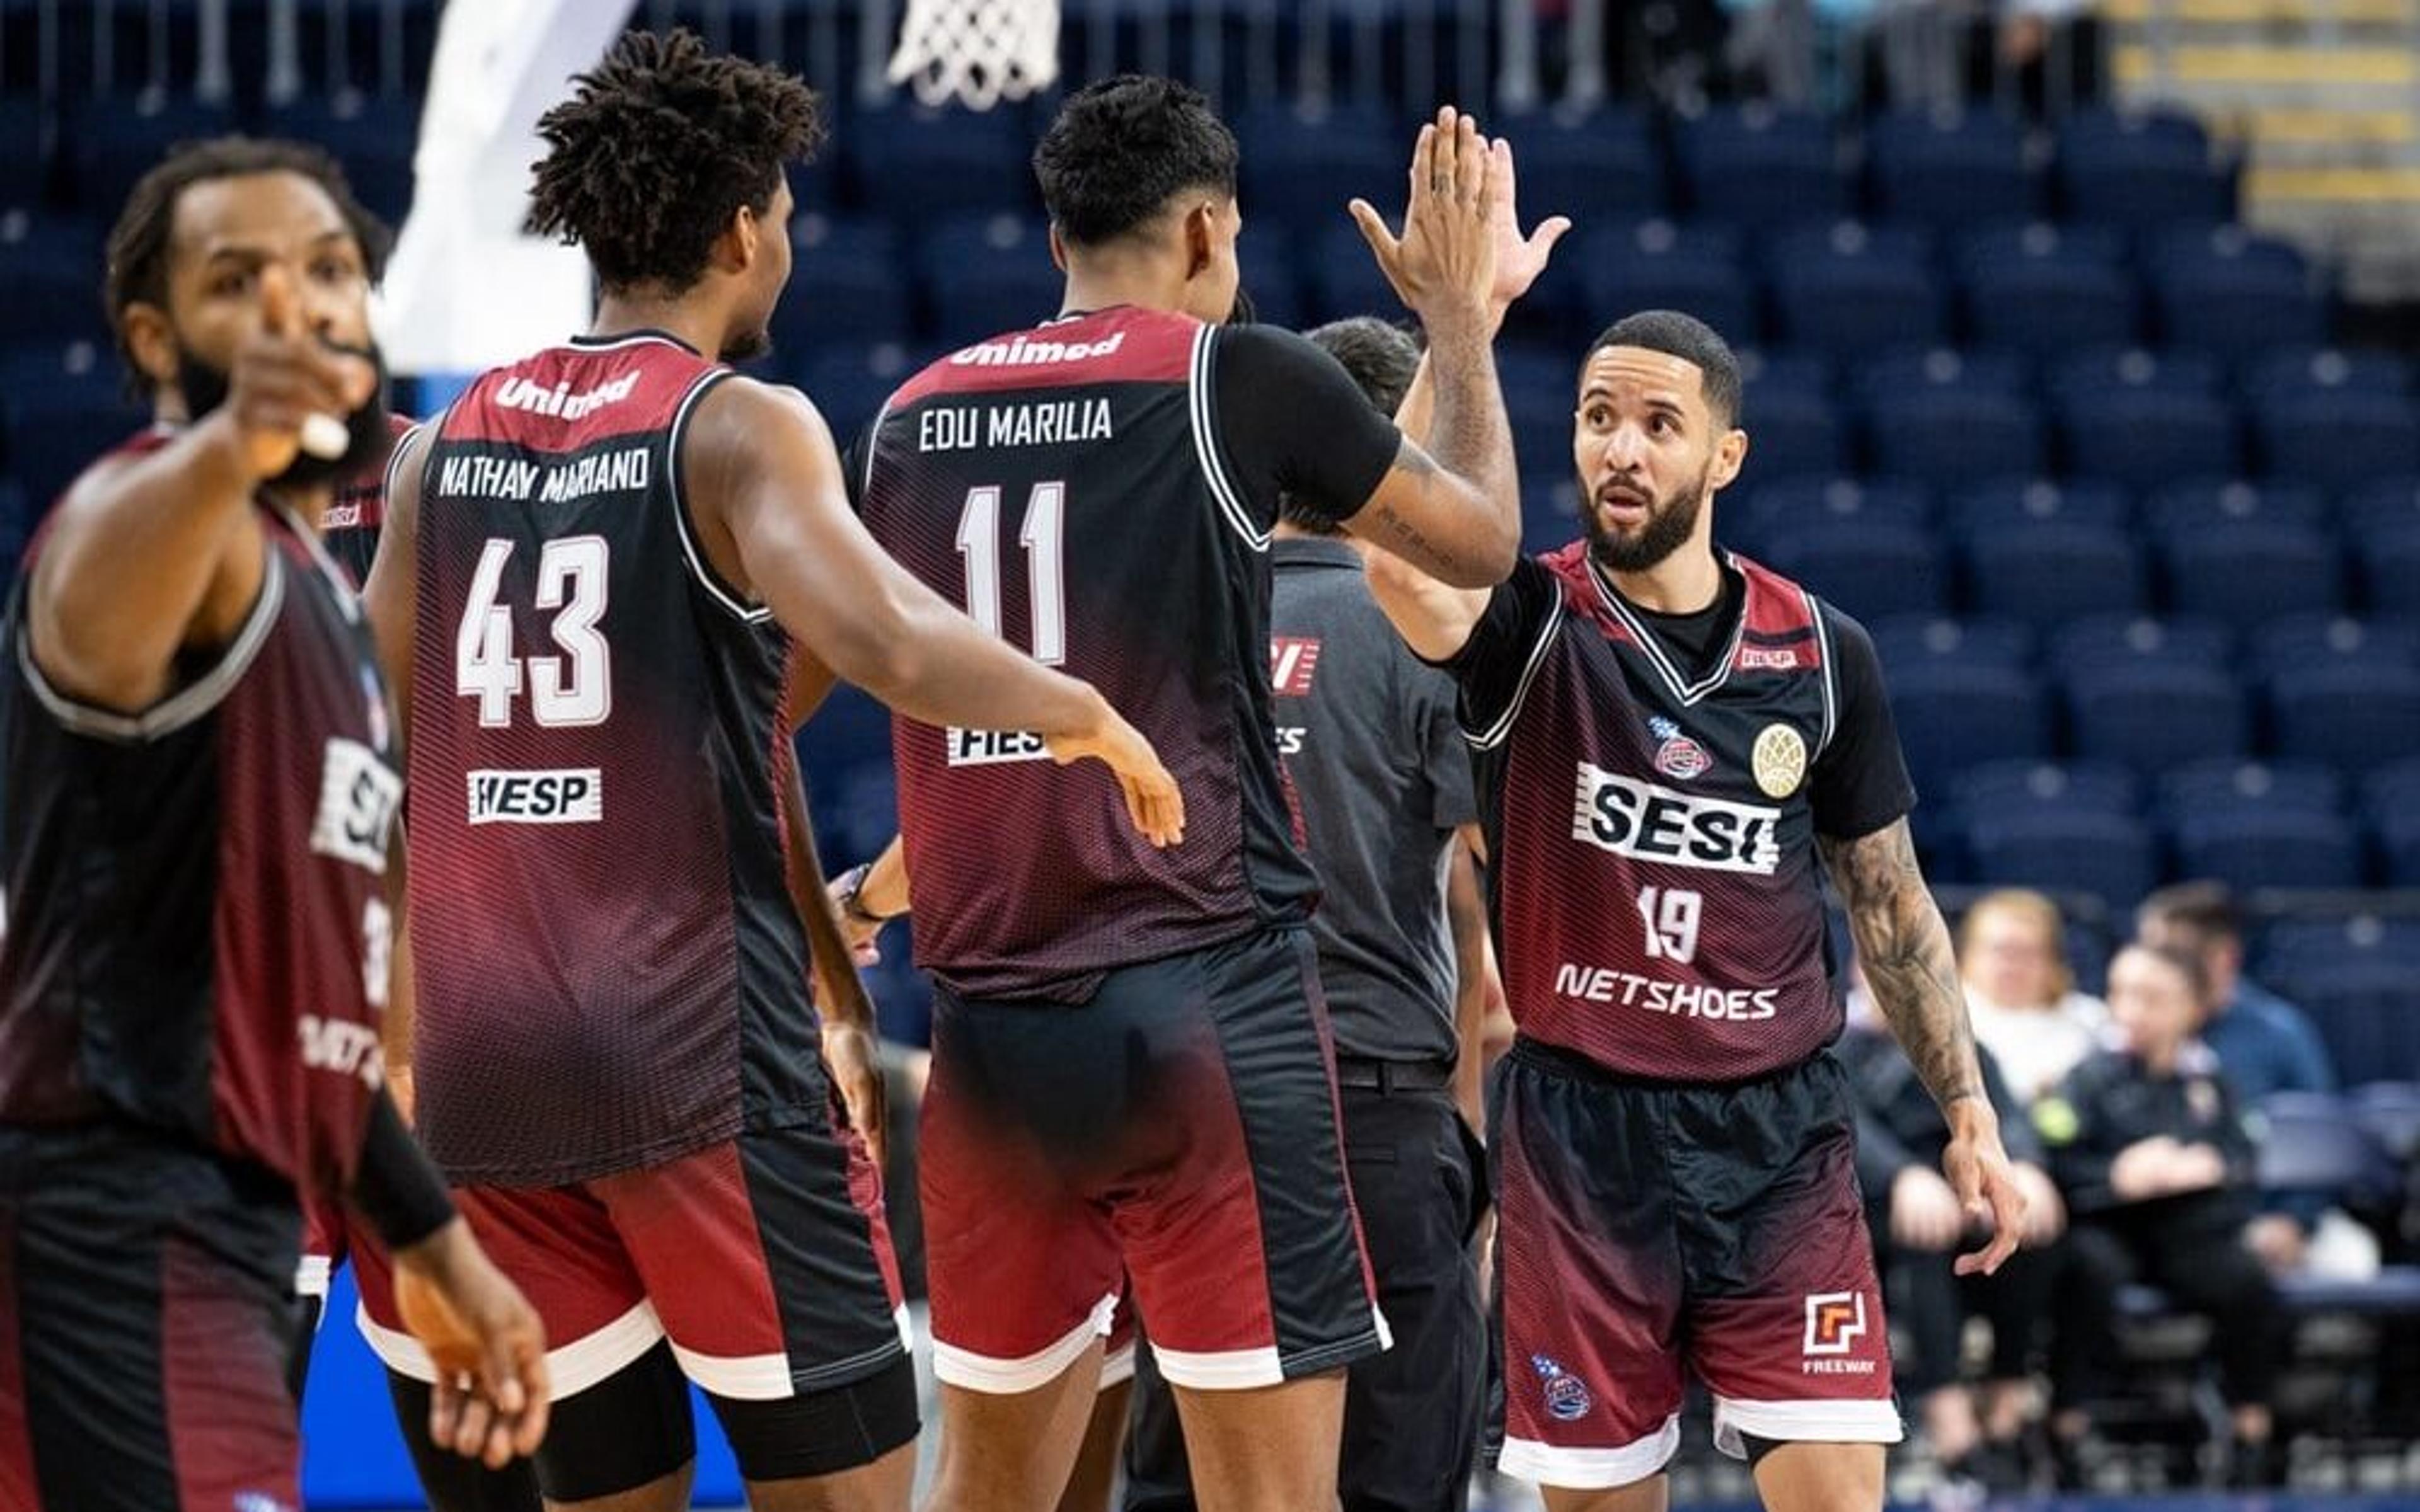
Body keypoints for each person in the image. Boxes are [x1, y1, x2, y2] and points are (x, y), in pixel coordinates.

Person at [354, 32, 1179, 1512]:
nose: (792, 240)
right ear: (740, 232)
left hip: (485, 1077)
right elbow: (884, 636)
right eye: (785, 213)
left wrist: (398, 1015)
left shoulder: (443, 445)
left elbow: (369, 741)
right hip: (697, 1071)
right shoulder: (733, 425)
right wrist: (1085, 711)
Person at [846, 77, 1535, 1512]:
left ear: (1055, 241)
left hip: (989, 1026)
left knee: (986, 1486)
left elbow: (871, 686)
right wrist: (1459, 320)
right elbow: (1471, 547)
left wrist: (842, 901)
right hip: (1205, 1011)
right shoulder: (1239, 376)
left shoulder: (910, 418)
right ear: (1210, 232)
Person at [1366, 307, 2027, 1512]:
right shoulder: (1529, 622)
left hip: (1777, 1143)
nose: (1622, 449)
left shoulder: (1825, 654)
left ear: (1725, 455)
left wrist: (1969, 1108)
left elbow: (1889, 905)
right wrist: (1459, 328)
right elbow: (1398, 559)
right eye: (1598, 419)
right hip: (1581, 1135)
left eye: (1659, 425)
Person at [0, 134, 548, 1509]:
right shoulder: (149, 526)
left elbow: (302, 1011)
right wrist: (226, 447)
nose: (296, 308)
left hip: (211, 1228)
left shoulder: (326, 600)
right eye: (237, 281)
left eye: (326, 274)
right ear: (152, 333)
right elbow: (99, 582)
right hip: (110, 1226)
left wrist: (446, 1256)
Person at [1117, 315, 1510, 1512]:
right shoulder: (1423, 638)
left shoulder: (1159, 626)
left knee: (1185, 1485)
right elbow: (1512, 898)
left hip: (1188, 1118)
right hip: (1370, 1121)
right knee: (1396, 1482)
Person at [2034, 942, 2287, 1489]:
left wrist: (2209, 1162)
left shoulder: (2210, 1080)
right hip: (2109, 1225)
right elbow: (2056, 1155)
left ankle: (2250, 1433)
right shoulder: (2087, 1077)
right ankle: (2067, 1430)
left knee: (2247, 1279)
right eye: (2121, 994)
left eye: (2151, 998)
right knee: (2086, 1272)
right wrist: (2115, 1174)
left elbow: (2244, 1150)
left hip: (2188, 1230)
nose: (2132, 1010)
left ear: (2191, 1008)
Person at [1840, 976, 2064, 1494]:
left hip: (1960, 1199)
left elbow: (2004, 1117)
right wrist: (1901, 1176)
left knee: (2029, 1225)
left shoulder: (1965, 1049)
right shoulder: (1836, 1048)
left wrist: (2024, 1167)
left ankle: (2008, 1402)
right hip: (1865, 1211)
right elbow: (1846, 1126)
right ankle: (1949, 1418)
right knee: (1924, 1235)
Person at [2136, 881, 2337, 1275]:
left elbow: (2321, 1138)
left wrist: (2296, 1220)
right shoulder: (2127, 1033)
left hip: (2265, 1218)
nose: (2154, 966)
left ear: (2223, 957)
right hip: (2163, 1225)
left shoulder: (2281, 1032)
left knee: (2350, 1263)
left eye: (2173, 954)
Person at [1957, 890, 2109, 1106]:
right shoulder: (1938, 1020)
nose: (2012, 965)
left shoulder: (2092, 1021)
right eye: (2000, 951)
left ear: (2053, 961)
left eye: (2028, 953)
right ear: (1968, 955)